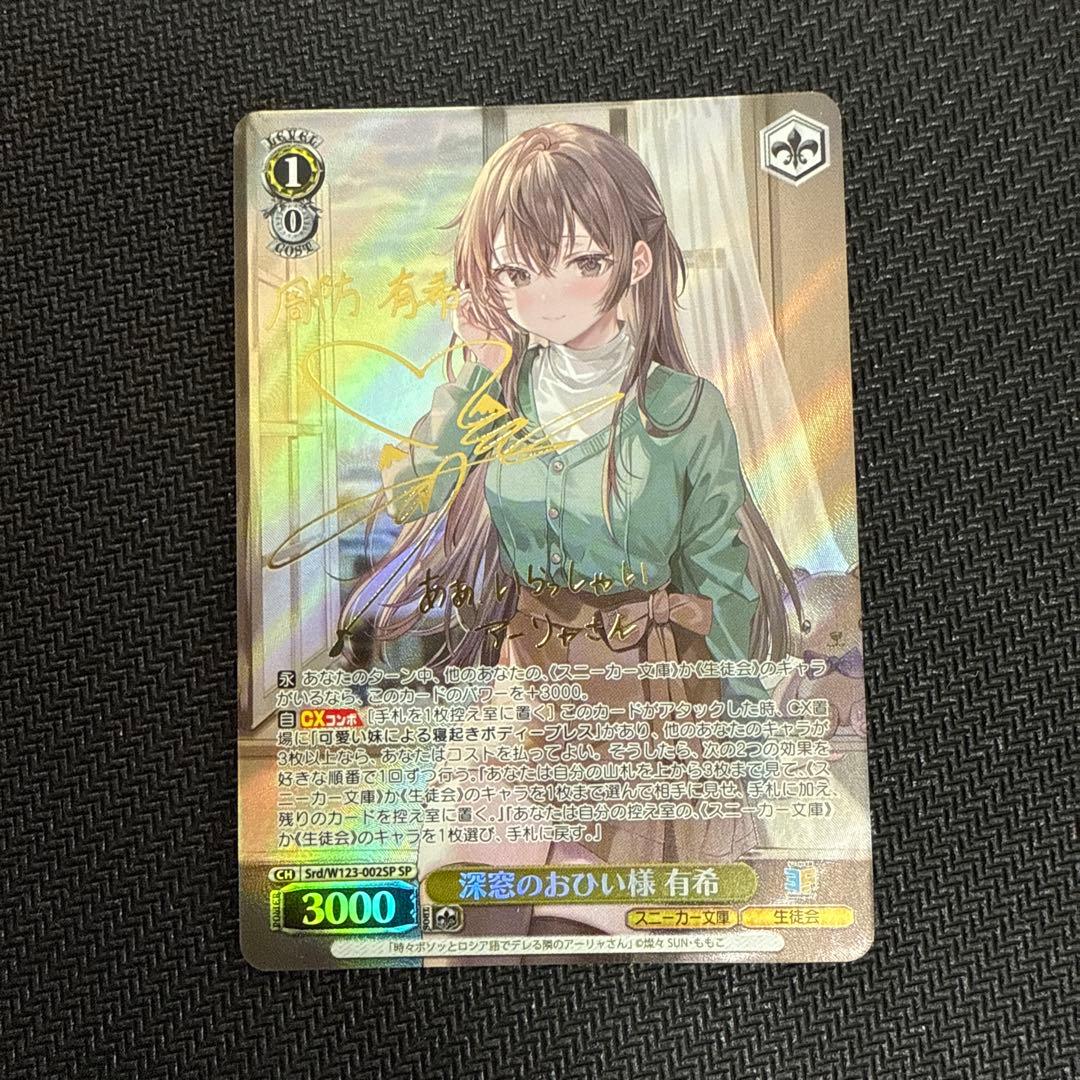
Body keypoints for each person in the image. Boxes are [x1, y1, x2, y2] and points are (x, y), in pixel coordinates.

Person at [339, 122, 803, 935]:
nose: (544, 297)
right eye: (517, 272)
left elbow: (718, 575)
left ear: (637, 261)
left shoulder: (686, 410)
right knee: (455, 900)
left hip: (648, 696)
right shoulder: (497, 391)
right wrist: (477, 373)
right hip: (528, 690)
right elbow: (411, 498)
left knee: (611, 923)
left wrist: (743, 732)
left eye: (583, 261)